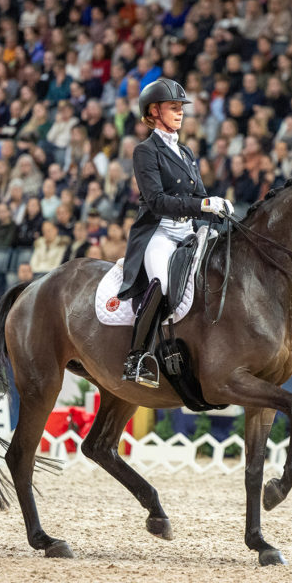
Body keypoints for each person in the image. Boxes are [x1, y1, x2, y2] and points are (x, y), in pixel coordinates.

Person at [117, 78, 230, 387]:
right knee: (163, 283)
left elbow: (200, 196)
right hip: (159, 232)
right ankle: (137, 358)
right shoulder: (145, 151)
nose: (180, 113)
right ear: (154, 111)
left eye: (181, 108)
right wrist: (204, 205)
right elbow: (156, 202)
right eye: (173, 107)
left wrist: (219, 210)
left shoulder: (186, 152)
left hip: (189, 231)